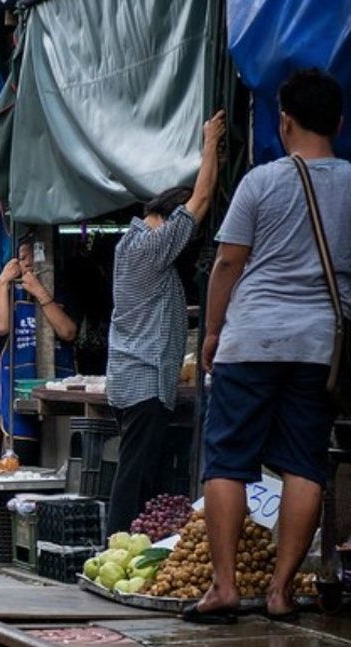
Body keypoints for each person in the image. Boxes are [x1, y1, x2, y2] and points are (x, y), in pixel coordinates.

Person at [189, 70, 350, 624]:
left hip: (252, 337)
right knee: (305, 461)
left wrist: (212, 331)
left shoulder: (262, 181)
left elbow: (229, 262)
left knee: (229, 460)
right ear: (340, 123)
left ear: (284, 121)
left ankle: (226, 587)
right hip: (320, 345)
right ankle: (282, 591)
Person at [104, 109, 226, 534]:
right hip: (142, 380)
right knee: (135, 472)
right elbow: (203, 199)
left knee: (142, 470)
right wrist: (210, 142)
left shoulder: (137, 247)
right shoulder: (150, 247)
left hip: (134, 378)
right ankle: (115, 543)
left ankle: (135, 540)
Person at [0, 236, 78, 465]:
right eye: (22, 257)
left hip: (60, 392)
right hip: (19, 393)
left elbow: (68, 332)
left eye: (34, 255)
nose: (27, 262)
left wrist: (41, 294)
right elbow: (0, 327)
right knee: (23, 460)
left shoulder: (61, 291)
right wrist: (2, 283)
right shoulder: (13, 294)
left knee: (62, 460)